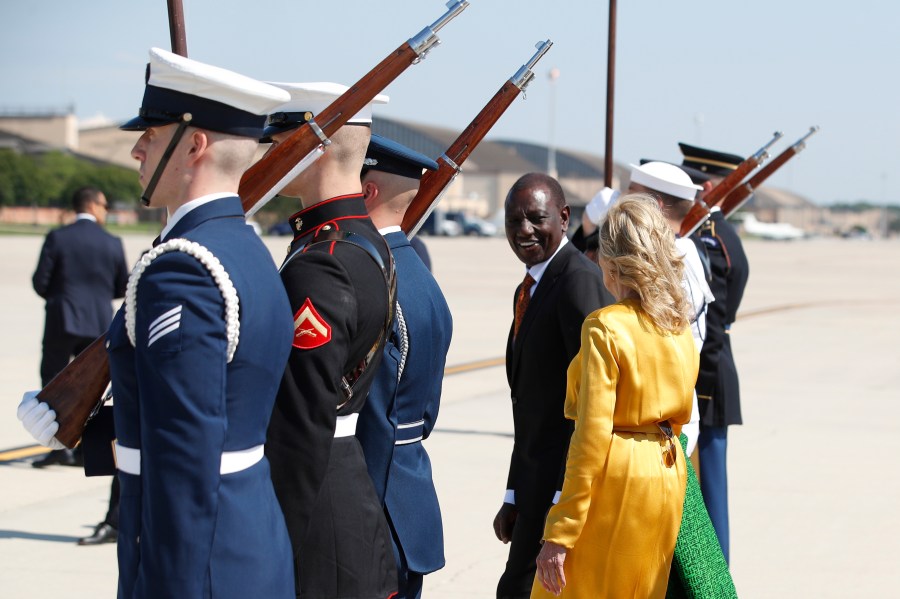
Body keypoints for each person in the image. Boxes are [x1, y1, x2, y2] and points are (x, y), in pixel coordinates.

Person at [20, 47, 297, 598]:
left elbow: (184, 451)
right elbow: (208, 409)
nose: (136, 149)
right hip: (243, 539)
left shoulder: (182, 269)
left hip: (197, 563)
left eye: (150, 133)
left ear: (194, 144)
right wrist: (89, 433)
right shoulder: (242, 248)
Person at [262, 83, 398, 599]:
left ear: (311, 146)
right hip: (342, 497)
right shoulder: (362, 241)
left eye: (279, 140)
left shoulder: (323, 260)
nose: (270, 153)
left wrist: (274, 543)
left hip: (318, 524)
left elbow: (299, 426)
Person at [533, 194, 699, 598]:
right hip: (667, 469)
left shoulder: (605, 327)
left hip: (618, 478)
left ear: (611, 259)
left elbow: (590, 437)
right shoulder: (676, 325)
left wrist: (561, 531)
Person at [494, 173, 613, 599]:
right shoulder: (531, 285)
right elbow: (528, 405)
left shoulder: (577, 281)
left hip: (563, 489)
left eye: (536, 218)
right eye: (513, 220)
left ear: (564, 218)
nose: (523, 230)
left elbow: (596, 404)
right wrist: (514, 493)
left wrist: (567, 501)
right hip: (536, 485)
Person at [355, 134, 452, 598]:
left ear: (367, 192)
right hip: (408, 491)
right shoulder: (423, 281)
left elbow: (372, 415)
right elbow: (423, 410)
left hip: (374, 502)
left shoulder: (374, 278)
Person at [680, 142, 750, 564]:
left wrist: (696, 387)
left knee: (710, 490)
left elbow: (717, 323)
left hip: (709, 378)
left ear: (707, 185)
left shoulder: (713, 239)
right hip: (710, 373)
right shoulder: (710, 234)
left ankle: (715, 578)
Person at [29, 186, 128, 469]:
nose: (106, 211)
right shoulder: (111, 242)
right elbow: (122, 284)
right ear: (94, 205)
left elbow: (40, 282)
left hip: (62, 319)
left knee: (52, 384)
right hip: (97, 324)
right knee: (94, 389)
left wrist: (62, 297)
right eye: (106, 206)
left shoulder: (58, 237)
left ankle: (59, 447)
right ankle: (87, 450)